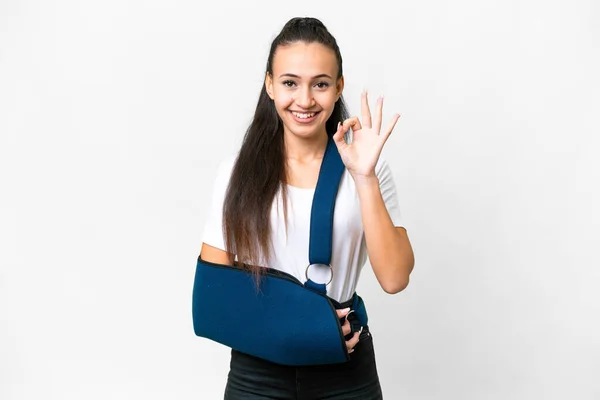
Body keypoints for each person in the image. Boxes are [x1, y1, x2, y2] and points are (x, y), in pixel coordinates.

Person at [199, 16, 415, 400]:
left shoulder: (368, 167)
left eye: (320, 84)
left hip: (345, 375)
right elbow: (213, 299)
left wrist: (364, 178)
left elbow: (395, 278)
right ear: (269, 85)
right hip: (257, 375)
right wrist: (305, 328)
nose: (305, 100)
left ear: (338, 88)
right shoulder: (236, 173)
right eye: (289, 83)